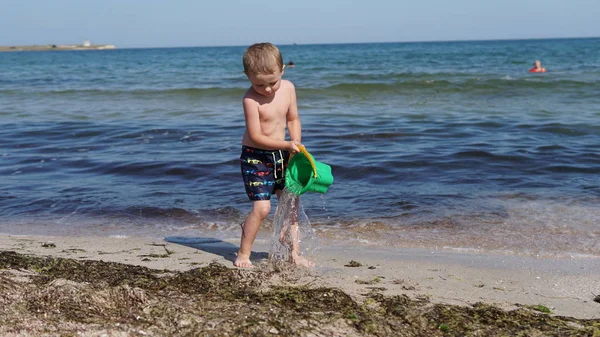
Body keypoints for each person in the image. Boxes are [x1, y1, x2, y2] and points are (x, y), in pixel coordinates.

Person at [236, 42, 311, 268]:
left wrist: (295, 143)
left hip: (284, 152)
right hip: (256, 156)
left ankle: (294, 253)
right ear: (247, 76)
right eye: (259, 84)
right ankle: (243, 253)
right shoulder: (250, 100)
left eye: (272, 82)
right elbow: (256, 136)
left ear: (282, 71)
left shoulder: (288, 88)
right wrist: (287, 145)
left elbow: (292, 119)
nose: (267, 89)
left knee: (291, 204)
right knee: (263, 208)